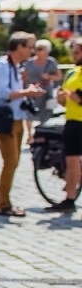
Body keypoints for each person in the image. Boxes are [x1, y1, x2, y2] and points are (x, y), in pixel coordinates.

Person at [0, 31, 45, 217]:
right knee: (10, 161)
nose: (31, 51)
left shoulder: (16, 66)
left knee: (14, 162)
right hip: (5, 119)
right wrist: (26, 93)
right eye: (29, 47)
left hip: (17, 117)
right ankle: (3, 204)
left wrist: (25, 91)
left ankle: (5, 201)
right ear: (19, 47)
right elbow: (1, 93)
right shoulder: (2, 66)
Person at [48, 36, 82, 212]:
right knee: (72, 162)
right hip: (72, 122)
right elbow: (65, 99)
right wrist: (62, 99)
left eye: (76, 53)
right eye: (73, 52)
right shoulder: (72, 73)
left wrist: (79, 99)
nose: (73, 56)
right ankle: (69, 200)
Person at [24, 38, 62, 119]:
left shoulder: (51, 62)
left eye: (40, 49)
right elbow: (23, 77)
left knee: (45, 115)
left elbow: (59, 76)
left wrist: (49, 77)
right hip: (32, 91)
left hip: (45, 92)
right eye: (36, 48)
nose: (37, 51)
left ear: (47, 51)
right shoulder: (29, 62)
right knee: (29, 114)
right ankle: (30, 131)